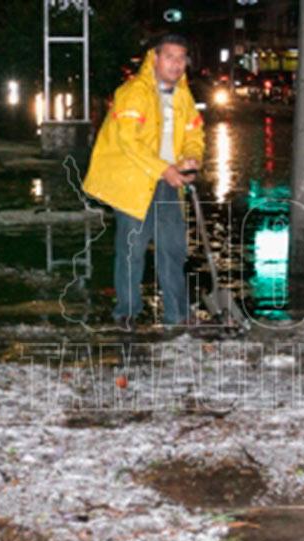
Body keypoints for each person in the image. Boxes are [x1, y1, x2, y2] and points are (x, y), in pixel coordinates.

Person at [83, 34, 204, 331]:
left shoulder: (184, 97)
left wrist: (192, 157)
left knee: (173, 248)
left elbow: (194, 135)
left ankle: (176, 313)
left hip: (167, 179)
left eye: (181, 58)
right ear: (155, 58)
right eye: (170, 57)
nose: (176, 64)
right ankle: (126, 311)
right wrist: (164, 170)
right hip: (134, 179)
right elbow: (129, 141)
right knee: (131, 248)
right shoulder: (133, 93)